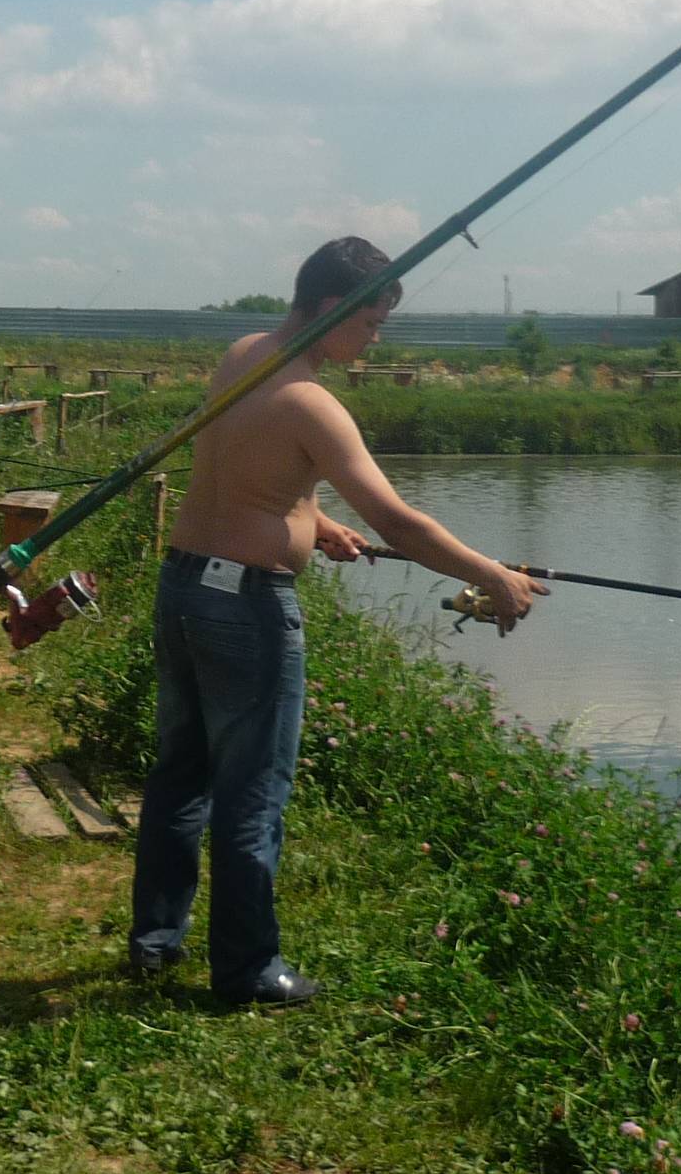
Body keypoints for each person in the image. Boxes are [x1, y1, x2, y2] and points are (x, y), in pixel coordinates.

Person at [128, 237, 539, 1008]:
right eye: (374, 321)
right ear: (332, 309)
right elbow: (401, 522)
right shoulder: (314, 402)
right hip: (246, 608)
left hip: (184, 585)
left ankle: (156, 940)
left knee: (181, 775)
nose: (377, 337)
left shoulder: (243, 354)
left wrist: (313, 521)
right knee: (253, 793)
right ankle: (249, 971)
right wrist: (493, 575)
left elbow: (253, 473)